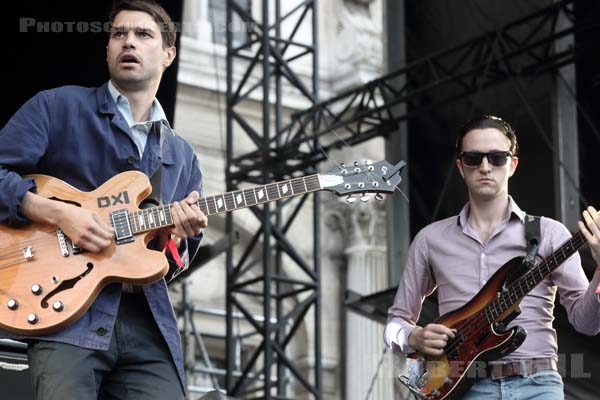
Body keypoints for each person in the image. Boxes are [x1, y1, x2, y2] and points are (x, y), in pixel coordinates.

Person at [0, 1, 207, 399]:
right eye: (119, 34)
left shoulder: (182, 155)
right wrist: (56, 212)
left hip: (146, 322)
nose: (129, 41)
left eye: (143, 35)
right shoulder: (57, 106)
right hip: (66, 317)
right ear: (108, 49)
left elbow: (173, 262)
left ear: (168, 54)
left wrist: (178, 236)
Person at [384, 115, 600, 399]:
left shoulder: (549, 233)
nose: (485, 167)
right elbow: (394, 326)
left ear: (512, 164)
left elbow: (588, 323)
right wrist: (413, 336)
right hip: (462, 387)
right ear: (461, 166)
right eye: (474, 158)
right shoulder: (430, 239)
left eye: (497, 158)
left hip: (537, 385)